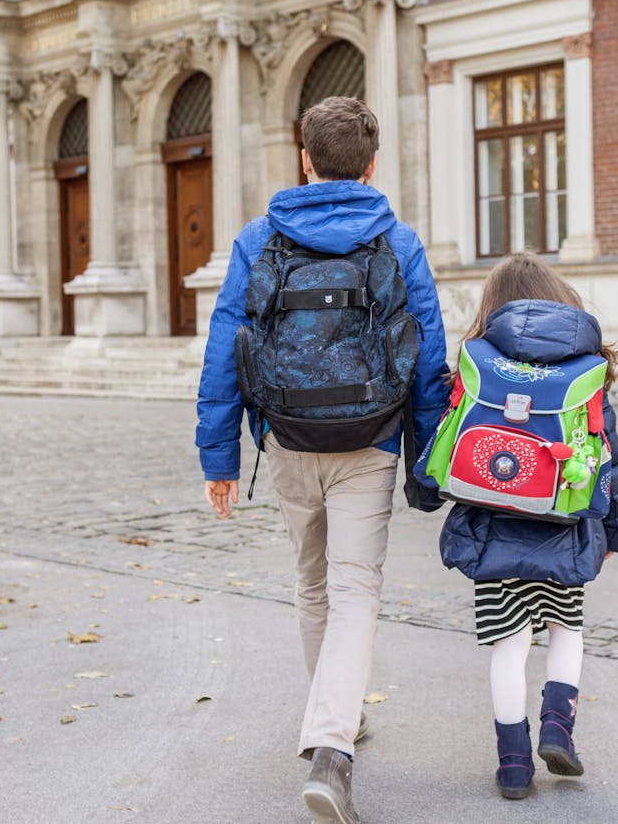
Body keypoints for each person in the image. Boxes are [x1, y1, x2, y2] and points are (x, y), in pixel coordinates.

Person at [196, 95, 450, 824]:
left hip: (286, 437)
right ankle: (333, 744)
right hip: (368, 441)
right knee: (356, 588)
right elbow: (427, 357)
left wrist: (219, 454)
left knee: (313, 584)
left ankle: (331, 723)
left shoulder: (257, 238)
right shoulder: (397, 241)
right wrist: (427, 459)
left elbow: (223, 350)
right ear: (371, 165)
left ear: (305, 158)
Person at [426, 252, 618, 800]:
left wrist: (424, 493)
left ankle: (514, 765)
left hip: (492, 529)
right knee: (567, 630)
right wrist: (615, 529)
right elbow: (608, 459)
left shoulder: (476, 365)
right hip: (565, 527)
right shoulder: (585, 375)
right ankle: (558, 727)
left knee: (509, 646)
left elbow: (443, 440)